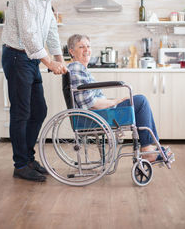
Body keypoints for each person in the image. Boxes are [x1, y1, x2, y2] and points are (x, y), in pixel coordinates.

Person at [2, 0, 68, 182]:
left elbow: (50, 30)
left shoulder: (46, 0)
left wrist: (59, 59)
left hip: (30, 59)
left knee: (39, 110)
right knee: (21, 113)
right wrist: (49, 63)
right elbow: (29, 35)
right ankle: (20, 164)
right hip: (16, 56)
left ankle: (28, 159)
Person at [67, 34, 171, 162]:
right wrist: (115, 101)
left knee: (137, 102)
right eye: (81, 47)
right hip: (95, 117)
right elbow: (91, 104)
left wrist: (113, 102)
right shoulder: (76, 67)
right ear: (71, 51)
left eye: (88, 46)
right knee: (140, 101)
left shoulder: (81, 69)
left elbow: (91, 100)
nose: (86, 50)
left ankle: (149, 148)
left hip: (97, 115)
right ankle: (148, 150)